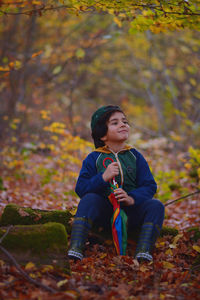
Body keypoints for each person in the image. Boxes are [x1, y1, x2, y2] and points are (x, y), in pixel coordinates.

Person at [68, 105, 165, 262]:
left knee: (156, 206)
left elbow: (149, 185)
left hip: (131, 213)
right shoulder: (94, 158)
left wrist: (131, 198)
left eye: (125, 121)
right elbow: (81, 188)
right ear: (102, 135)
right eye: (115, 123)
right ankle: (76, 246)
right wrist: (102, 177)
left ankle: (144, 250)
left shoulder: (135, 156)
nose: (122, 124)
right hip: (104, 213)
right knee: (89, 199)